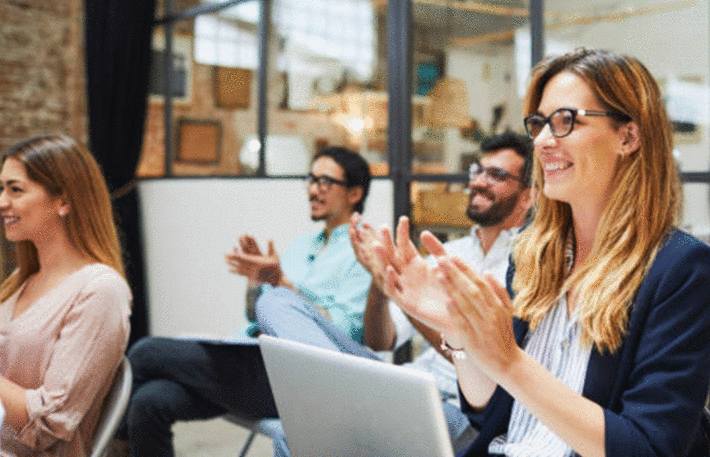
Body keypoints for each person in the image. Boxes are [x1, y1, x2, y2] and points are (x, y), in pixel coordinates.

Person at [374, 48, 710, 456]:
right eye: (539, 124)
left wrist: (509, 361)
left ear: (628, 136)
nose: (542, 141)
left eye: (566, 121)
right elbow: (491, 413)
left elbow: (649, 447)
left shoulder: (680, 269)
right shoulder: (536, 254)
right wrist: (458, 331)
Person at [120, 146, 373, 457]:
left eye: (325, 182)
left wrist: (281, 282)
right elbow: (255, 312)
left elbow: (342, 333)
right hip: (251, 360)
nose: (313, 189)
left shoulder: (362, 253)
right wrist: (257, 281)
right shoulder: (302, 245)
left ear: (354, 193)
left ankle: (93, 442)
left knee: (146, 352)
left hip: (295, 377)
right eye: (310, 179)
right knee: (150, 403)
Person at [351, 132, 533, 451]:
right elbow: (381, 340)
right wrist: (381, 283)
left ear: (527, 196)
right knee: (280, 305)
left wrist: (412, 300)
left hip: (459, 410)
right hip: (409, 383)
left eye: (497, 175)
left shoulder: (530, 265)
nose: (479, 182)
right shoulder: (449, 252)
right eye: (478, 171)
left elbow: (483, 363)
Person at [0, 134, 131, 457]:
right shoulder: (22, 279)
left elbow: (49, 425)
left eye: (15, 190)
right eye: (2, 188)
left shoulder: (101, 291)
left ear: (64, 201)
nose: (2, 202)